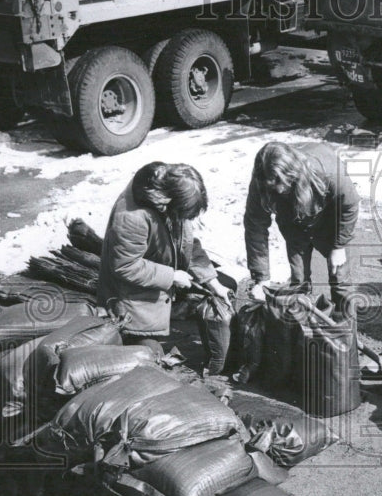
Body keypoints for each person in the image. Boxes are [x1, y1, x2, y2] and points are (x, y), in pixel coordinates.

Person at [97, 162, 228, 344]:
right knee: (148, 349)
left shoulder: (167, 195)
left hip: (154, 280)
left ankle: (172, 310)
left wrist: (213, 282)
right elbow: (125, 266)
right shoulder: (132, 218)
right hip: (132, 298)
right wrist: (172, 276)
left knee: (227, 284)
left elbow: (186, 243)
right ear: (168, 203)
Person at [244, 141, 359, 314]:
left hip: (329, 221)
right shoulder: (262, 181)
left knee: (340, 279)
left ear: (292, 171)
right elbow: (255, 225)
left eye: (281, 182)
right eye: (273, 186)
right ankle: (303, 330)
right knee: (299, 282)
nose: (280, 189)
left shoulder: (327, 168)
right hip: (293, 224)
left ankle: (347, 334)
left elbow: (350, 205)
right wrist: (262, 278)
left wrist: (339, 246)